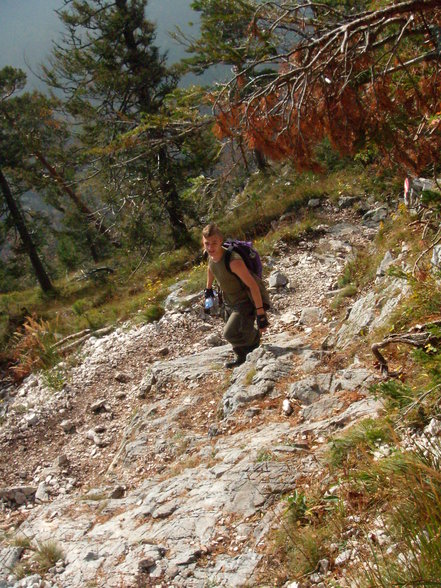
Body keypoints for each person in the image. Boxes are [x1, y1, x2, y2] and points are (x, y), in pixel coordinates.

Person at [202, 223, 269, 368]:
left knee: (229, 333)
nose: (210, 247)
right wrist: (208, 289)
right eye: (207, 243)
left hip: (244, 303)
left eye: (214, 243)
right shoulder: (211, 257)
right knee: (233, 331)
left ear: (220, 241)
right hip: (228, 301)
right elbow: (211, 269)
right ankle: (242, 356)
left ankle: (255, 338)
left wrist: (260, 313)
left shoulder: (233, 261)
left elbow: (253, 286)